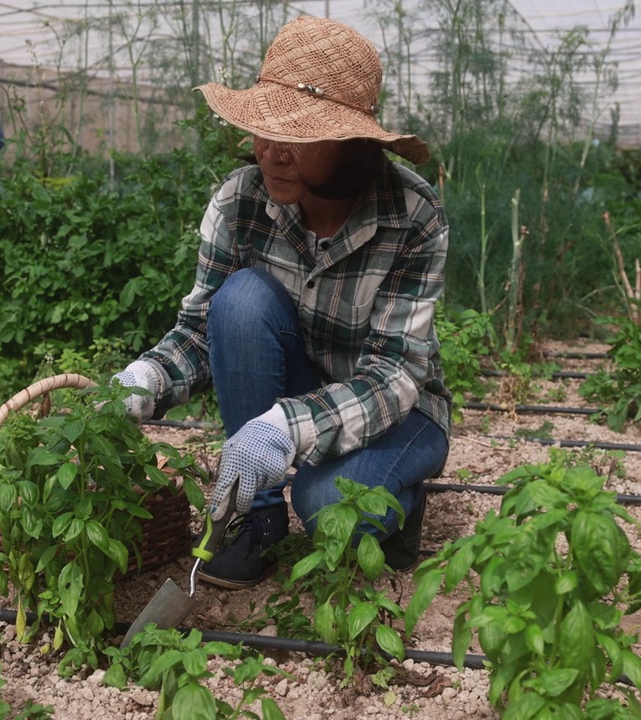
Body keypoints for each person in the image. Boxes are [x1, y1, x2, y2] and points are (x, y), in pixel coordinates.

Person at [110, 15, 451, 589]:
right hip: (299, 389)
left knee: (327, 511)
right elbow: (200, 331)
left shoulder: (411, 216)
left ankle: (402, 498)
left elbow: (394, 375)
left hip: (397, 409)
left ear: (352, 143)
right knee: (240, 300)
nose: (270, 151)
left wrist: (285, 429)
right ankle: (257, 520)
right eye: (263, 128)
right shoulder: (240, 202)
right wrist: (141, 383)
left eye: (297, 135)